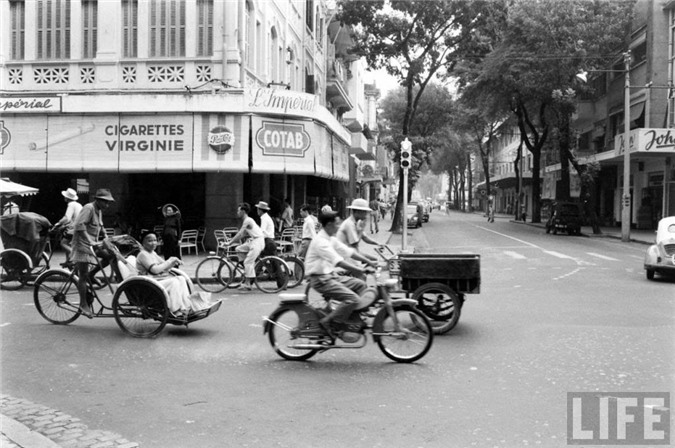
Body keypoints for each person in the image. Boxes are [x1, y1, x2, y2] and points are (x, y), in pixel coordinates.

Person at [305, 210, 377, 335]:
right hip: (321, 280)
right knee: (352, 299)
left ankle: (352, 317)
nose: (339, 227)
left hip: (330, 276)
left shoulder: (330, 239)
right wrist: (361, 269)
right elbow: (338, 261)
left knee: (361, 285)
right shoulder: (321, 242)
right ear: (328, 225)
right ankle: (328, 322)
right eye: (336, 224)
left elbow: (348, 252)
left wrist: (368, 261)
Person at [136, 230, 214, 316]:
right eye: (150, 241)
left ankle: (187, 307)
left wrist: (172, 263)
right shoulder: (143, 254)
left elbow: (164, 266)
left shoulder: (152, 253)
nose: (153, 243)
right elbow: (155, 270)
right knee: (174, 282)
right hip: (148, 284)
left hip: (156, 280)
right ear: (143, 243)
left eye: (155, 240)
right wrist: (169, 260)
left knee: (181, 278)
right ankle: (175, 310)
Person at [71, 188, 117, 318]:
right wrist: (89, 240)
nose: (107, 205)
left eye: (108, 203)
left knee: (110, 256)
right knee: (82, 275)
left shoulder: (99, 210)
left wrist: (106, 237)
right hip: (82, 244)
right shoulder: (88, 208)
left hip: (93, 243)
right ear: (98, 200)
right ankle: (83, 304)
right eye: (105, 202)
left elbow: (101, 226)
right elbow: (80, 225)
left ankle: (93, 274)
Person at [224, 202, 265, 291]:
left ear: (243, 211)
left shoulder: (247, 220)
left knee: (248, 262)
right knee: (238, 249)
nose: (237, 213)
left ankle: (248, 283)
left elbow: (240, 233)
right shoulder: (247, 220)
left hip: (257, 242)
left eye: (238, 211)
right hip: (254, 241)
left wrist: (229, 243)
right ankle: (247, 270)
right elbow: (243, 234)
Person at [336, 198, 379, 278]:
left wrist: (378, 244)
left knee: (375, 259)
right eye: (365, 212)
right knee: (363, 277)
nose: (366, 214)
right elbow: (355, 243)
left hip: (352, 252)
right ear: (358, 212)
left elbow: (365, 238)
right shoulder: (349, 224)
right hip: (346, 255)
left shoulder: (357, 222)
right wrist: (361, 230)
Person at [53, 188, 83, 266]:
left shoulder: (71, 204)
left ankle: (75, 257)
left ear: (67, 198)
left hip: (74, 228)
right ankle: (68, 261)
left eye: (65, 196)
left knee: (63, 243)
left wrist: (58, 223)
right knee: (68, 243)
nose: (64, 197)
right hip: (80, 227)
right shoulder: (78, 204)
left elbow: (67, 218)